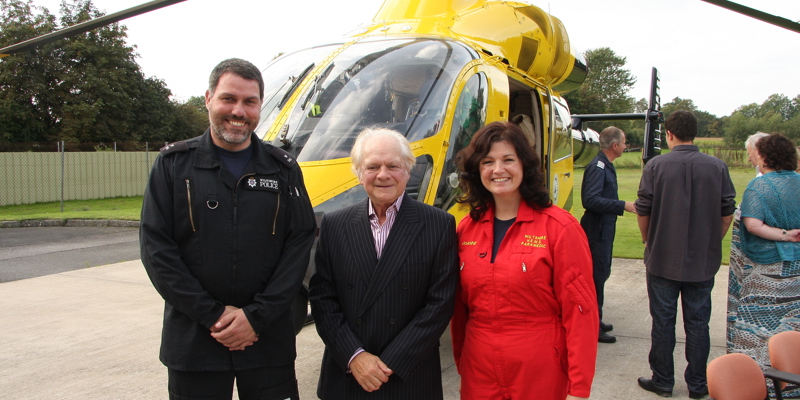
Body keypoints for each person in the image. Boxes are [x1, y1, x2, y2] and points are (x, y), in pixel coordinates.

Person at [140, 58, 317, 400]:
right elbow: (156, 250)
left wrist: (257, 317)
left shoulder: (283, 169)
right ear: (208, 99)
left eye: (249, 102)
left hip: (267, 342)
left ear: (259, 107)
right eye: (228, 99)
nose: (239, 110)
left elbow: (299, 243)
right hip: (195, 343)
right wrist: (213, 315)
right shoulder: (173, 165)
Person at [451, 121, 598, 400]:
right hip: (479, 367)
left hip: (540, 366)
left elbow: (580, 311)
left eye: (508, 160)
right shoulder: (466, 229)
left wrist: (579, 387)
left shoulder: (559, 228)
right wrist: (463, 359)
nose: (498, 170)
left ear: (524, 166)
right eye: (487, 161)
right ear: (476, 170)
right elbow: (459, 310)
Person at [309, 128, 458, 399]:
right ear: (358, 172)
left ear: (408, 170)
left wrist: (390, 363)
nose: (383, 174)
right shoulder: (334, 224)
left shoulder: (438, 224)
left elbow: (440, 303)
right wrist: (355, 357)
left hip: (409, 373)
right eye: (372, 166)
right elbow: (322, 299)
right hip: (349, 373)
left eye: (393, 165)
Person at [635, 110, 736, 399]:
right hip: (702, 261)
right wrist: (711, 239)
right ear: (694, 133)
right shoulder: (717, 166)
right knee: (698, 322)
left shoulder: (656, 166)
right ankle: (697, 384)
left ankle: (663, 380)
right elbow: (727, 211)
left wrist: (646, 239)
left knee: (663, 321)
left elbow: (644, 209)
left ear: (669, 134)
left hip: (662, 257)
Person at [727, 133, 800, 397]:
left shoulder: (759, 187)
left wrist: (784, 235)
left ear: (765, 157)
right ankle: (791, 384)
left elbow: (752, 224)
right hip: (797, 271)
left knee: (756, 332)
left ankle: (758, 384)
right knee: (791, 332)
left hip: (766, 271)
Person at [579, 126, 637, 344]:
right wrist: (623, 205)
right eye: (623, 142)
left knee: (601, 274)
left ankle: (597, 317)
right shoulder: (598, 167)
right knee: (596, 277)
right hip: (596, 231)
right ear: (615, 146)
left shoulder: (605, 165)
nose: (625, 146)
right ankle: (592, 326)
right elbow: (590, 200)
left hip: (604, 229)